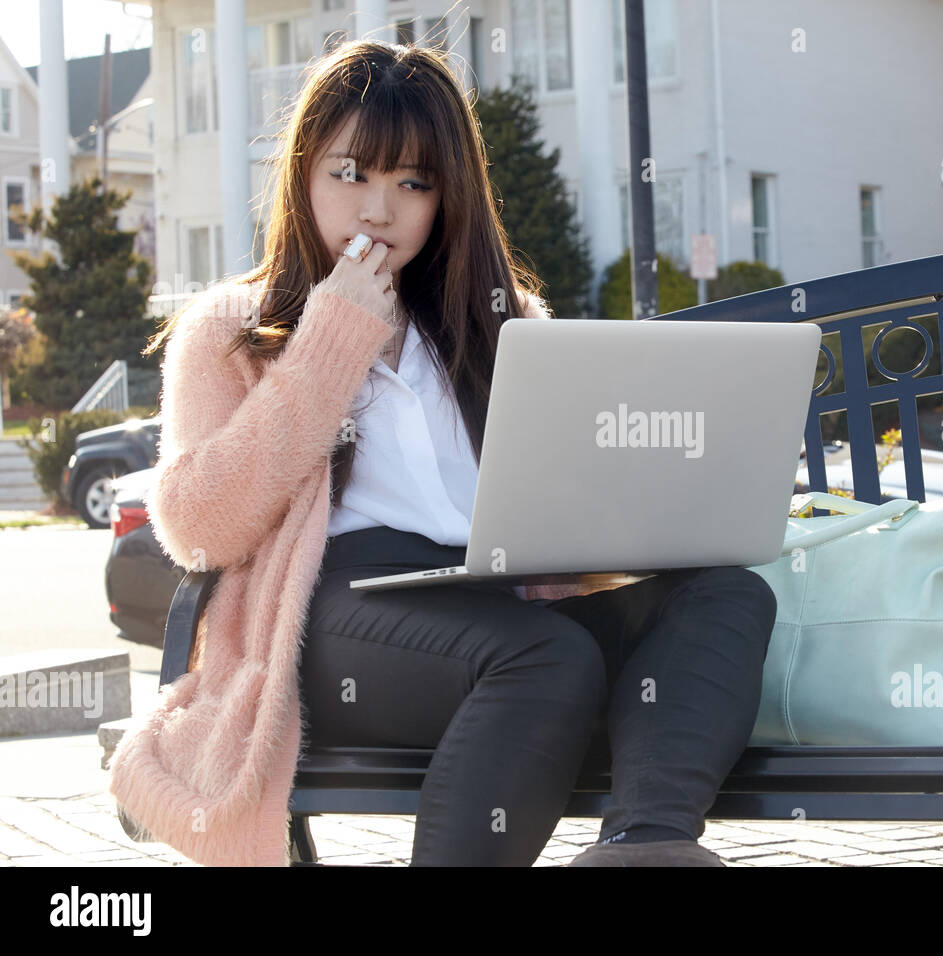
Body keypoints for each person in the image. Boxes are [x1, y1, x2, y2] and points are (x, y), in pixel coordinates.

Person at [113, 38, 776, 868]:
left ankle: (645, 846)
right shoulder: (234, 328)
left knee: (726, 595)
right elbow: (200, 526)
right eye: (350, 173)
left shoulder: (506, 323)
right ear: (302, 175)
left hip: (492, 593)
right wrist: (329, 340)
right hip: (330, 616)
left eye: (413, 183)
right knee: (544, 655)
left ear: (447, 197)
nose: (378, 210)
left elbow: (569, 488)